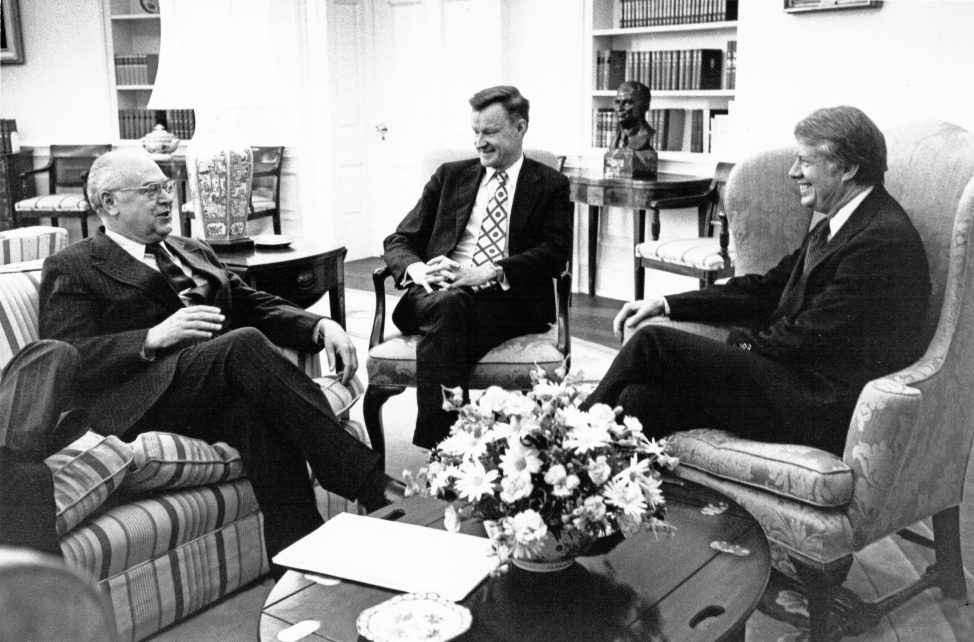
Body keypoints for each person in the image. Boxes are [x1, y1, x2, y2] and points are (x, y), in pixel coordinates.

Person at [38, 150, 401, 557]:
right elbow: (63, 356)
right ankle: (370, 483)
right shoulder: (73, 266)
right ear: (109, 203)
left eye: (167, 187)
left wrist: (318, 325)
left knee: (254, 413)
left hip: (214, 387)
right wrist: (150, 338)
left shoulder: (190, 249)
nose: (166, 198)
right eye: (151, 190)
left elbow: (251, 303)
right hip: (142, 400)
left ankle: (300, 558)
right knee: (241, 343)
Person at [582, 106, 930, 455]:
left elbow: (804, 337)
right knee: (638, 400)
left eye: (804, 162)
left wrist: (728, 348)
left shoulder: (880, 240)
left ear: (849, 168)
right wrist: (668, 303)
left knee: (651, 343)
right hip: (792, 385)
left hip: (823, 407)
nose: (793, 173)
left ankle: (565, 435)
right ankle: (588, 487)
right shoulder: (841, 222)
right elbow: (765, 289)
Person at [383, 85, 573, 449]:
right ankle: (456, 443)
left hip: (505, 303)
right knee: (449, 307)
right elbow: (398, 240)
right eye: (475, 132)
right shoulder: (449, 177)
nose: (479, 142)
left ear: (520, 128)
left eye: (490, 132)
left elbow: (555, 252)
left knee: (448, 324)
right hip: (434, 294)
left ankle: (445, 444)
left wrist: (490, 271)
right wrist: (420, 271)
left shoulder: (549, 184)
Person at [610, 81, 655, 151]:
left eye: (627, 103)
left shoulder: (646, 135)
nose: (619, 108)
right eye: (617, 102)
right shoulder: (616, 138)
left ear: (645, 107)